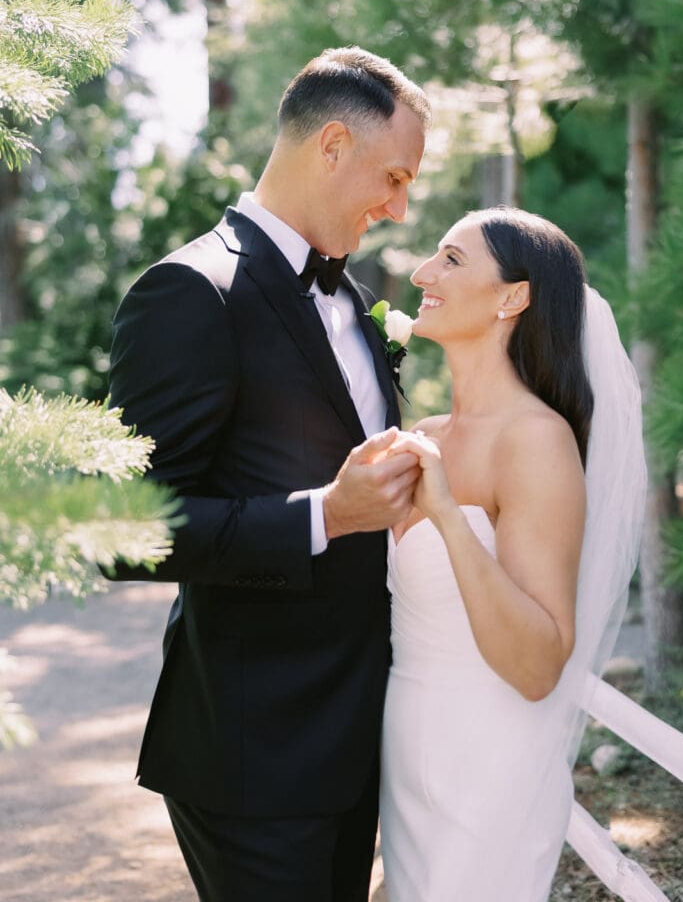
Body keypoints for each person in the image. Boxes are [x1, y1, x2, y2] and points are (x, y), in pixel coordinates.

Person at [105, 46, 431, 902]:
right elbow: (126, 529)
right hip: (255, 758)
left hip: (359, 741)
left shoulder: (357, 303)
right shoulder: (189, 293)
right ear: (332, 145)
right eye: (393, 178)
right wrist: (325, 512)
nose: (399, 209)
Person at [378, 206, 646, 901]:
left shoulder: (536, 440)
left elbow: (537, 667)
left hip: (491, 766)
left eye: (451, 259)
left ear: (513, 297)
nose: (421, 273)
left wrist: (445, 515)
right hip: (406, 754)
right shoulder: (426, 433)